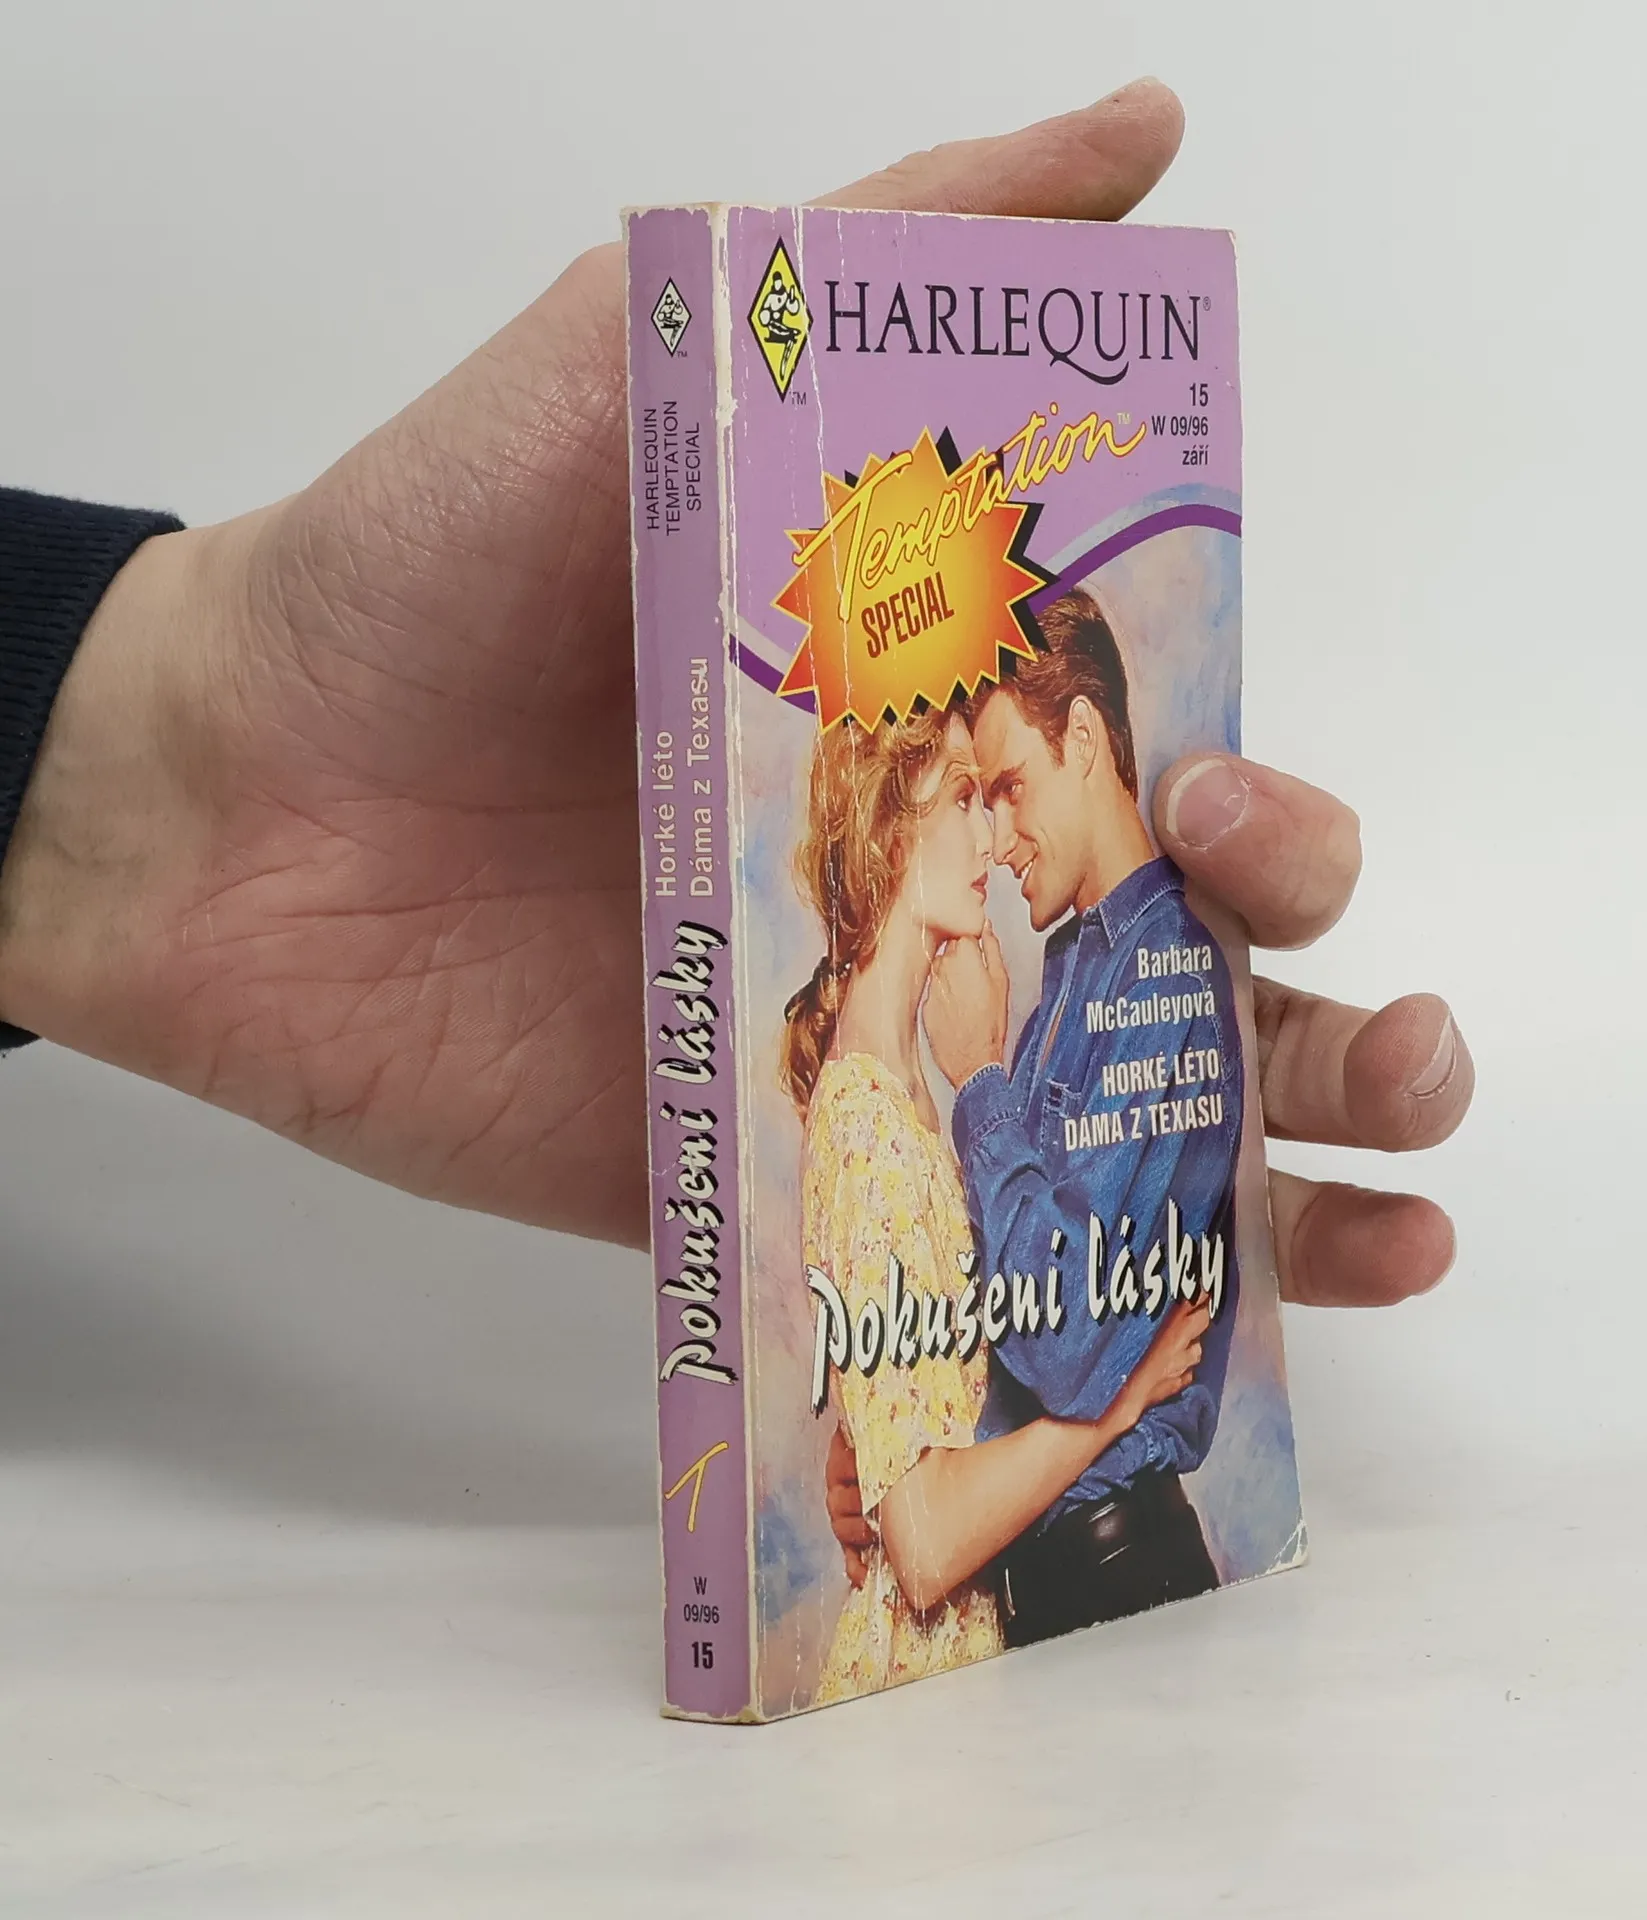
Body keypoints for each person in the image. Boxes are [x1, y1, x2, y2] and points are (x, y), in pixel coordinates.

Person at [0, 82, 1472, 1329]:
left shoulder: (1032, 1009)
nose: (995, 836)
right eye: (976, 796)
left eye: (996, 788)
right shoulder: (939, 1063)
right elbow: (1037, 1373)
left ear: (1085, 739)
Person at [779, 701, 1212, 1700]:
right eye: (965, 800)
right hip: (929, 1687)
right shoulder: (871, 1122)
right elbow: (927, 1548)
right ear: (891, 831)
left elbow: (937, 1398)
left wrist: (865, 1449)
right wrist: (1118, 1401)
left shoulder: (908, 1092)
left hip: (993, 1655)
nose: (991, 839)